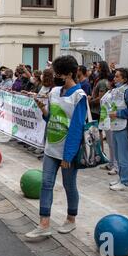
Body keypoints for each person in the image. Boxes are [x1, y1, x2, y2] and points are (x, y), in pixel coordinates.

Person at [25, 56, 87, 240]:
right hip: (51, 148)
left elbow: (77, 128)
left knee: (69, 185)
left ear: (69, 74)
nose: (56, 77)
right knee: (46, 183)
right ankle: (44, 224)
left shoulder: (79, 96)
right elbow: (51, 118)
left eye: (59, 74)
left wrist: (68, 156)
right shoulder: (54, 92)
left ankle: (71, 218)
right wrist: (43, 110)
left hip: (68, 150)